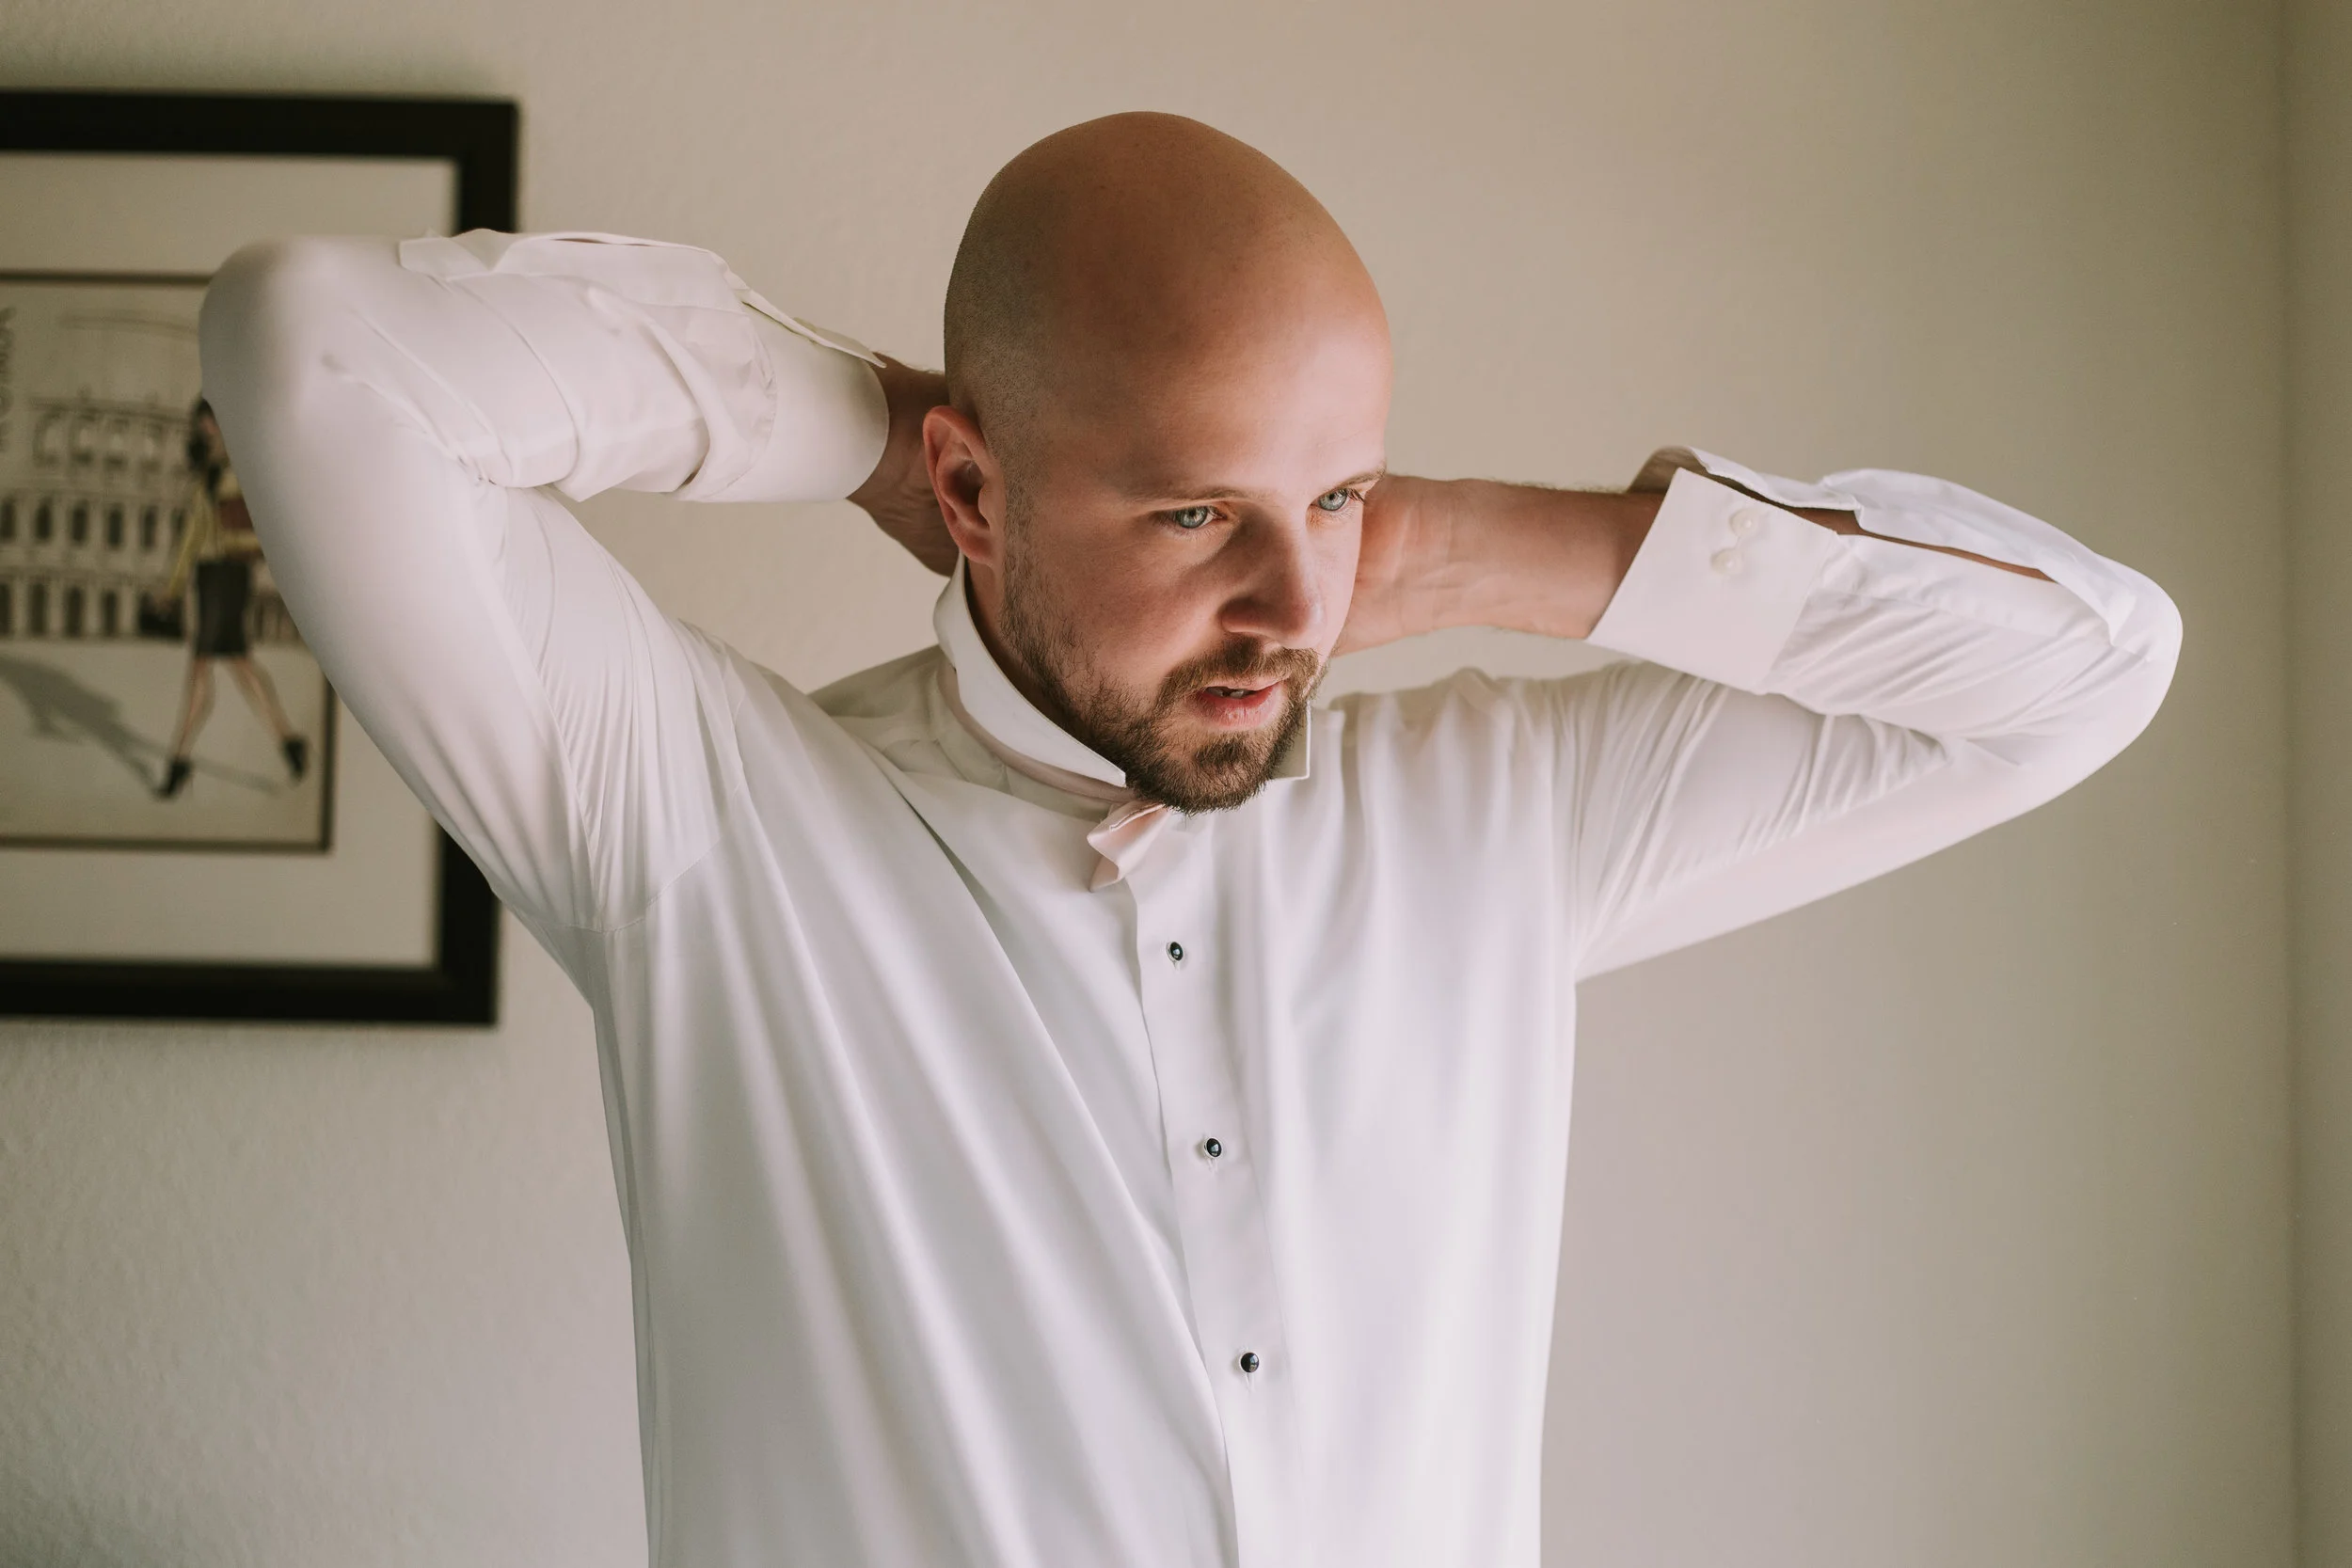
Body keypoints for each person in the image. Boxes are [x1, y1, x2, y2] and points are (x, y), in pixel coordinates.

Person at [197, 113, 2179, 1567]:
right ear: (977, 490)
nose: (1293, 606)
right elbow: (314, 346)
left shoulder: (1489, 823)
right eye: (1192, 513)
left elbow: (2084, 670)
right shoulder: (707, 830)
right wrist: (884, 434)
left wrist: (1463, 547)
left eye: (1335, 497)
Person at [148, 398, 310, 799]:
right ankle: (289, 741)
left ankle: (179, 761)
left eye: (213, 424)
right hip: (209, 577)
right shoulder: (206, 472)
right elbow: (192, 535)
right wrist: (174, 586)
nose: (208, 431)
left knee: (203, 665)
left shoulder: (242, 465)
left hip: (229, 574)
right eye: (203, 425)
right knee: (238, 662)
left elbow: (258, 512)